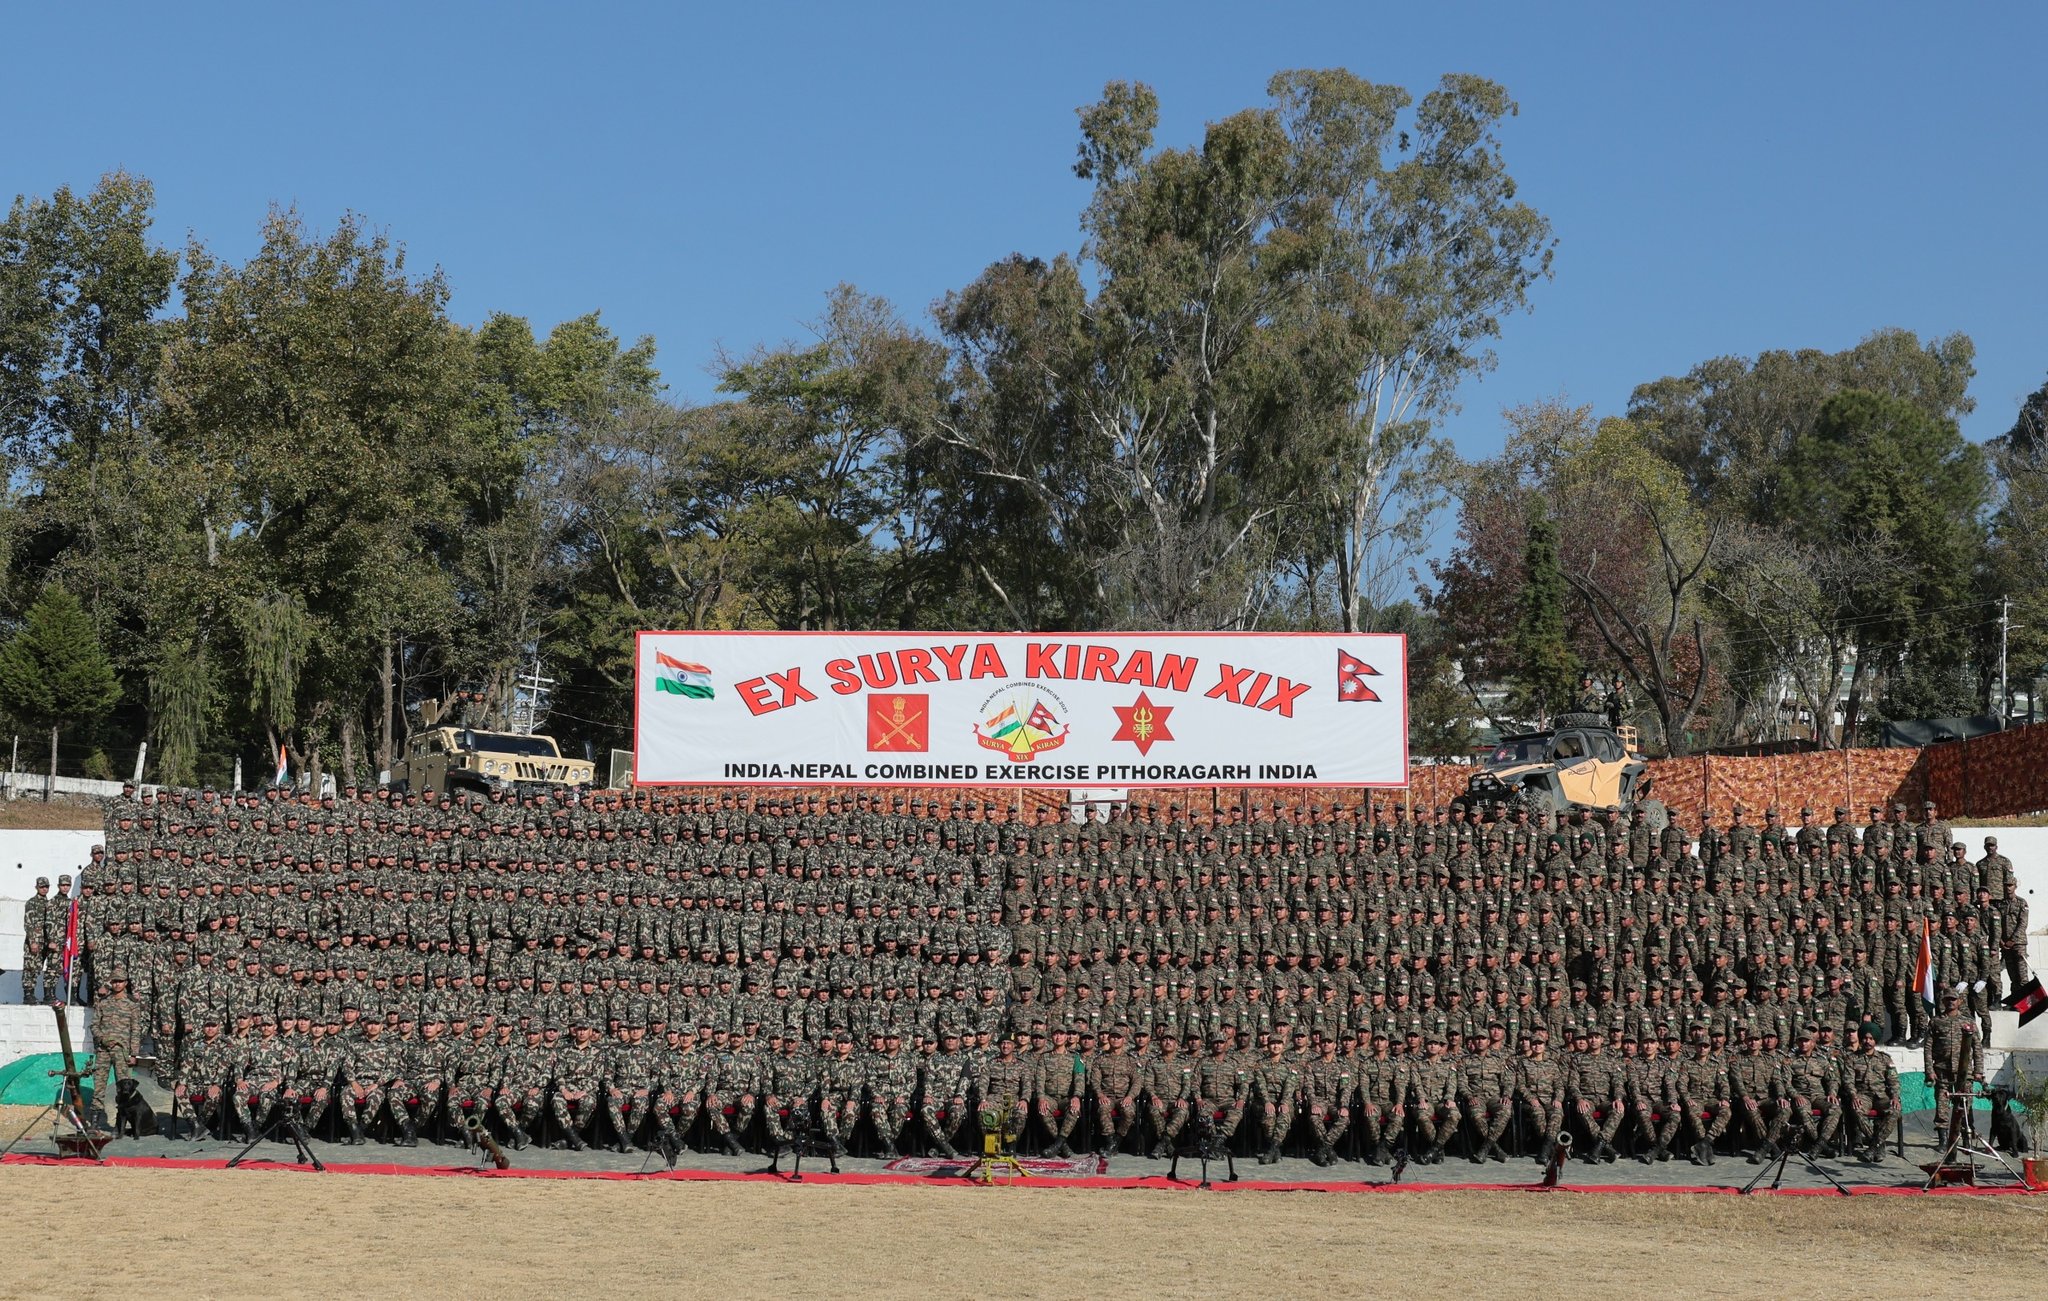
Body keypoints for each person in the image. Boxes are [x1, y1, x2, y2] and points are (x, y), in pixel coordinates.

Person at [86, 969, 143, 1125]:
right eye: (114, 981)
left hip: (122, 1051)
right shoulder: (103, 1002)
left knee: (125, 1088)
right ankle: (95, 1121)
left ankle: (123, 1122)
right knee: (99, 1086)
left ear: (125, 983)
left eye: (120, 981)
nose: (117, 984)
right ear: (110, 983)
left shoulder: (132, 1004)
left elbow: (136, 1029)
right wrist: (103, 1039)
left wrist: (134, 1054)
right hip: (103, 1050)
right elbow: (94, 1025)